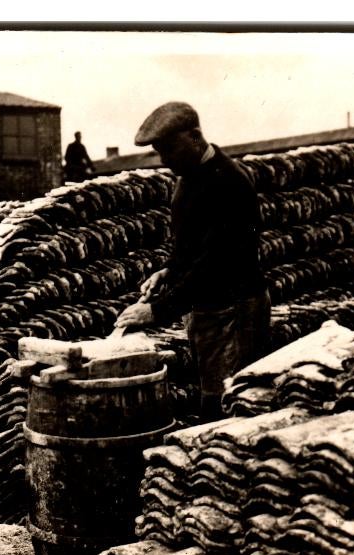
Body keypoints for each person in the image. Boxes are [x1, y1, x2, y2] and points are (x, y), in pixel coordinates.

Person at [114, 102, 271, 421]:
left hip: (234, 311)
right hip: (207, 308)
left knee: (231, 401)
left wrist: (157, 310)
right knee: (213, 392)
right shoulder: (188, 178)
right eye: (159, 152)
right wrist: (168, 270)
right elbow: (189, 246)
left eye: (170, 149)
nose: (164, 159)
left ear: (195, 137)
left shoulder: (230, 182)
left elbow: (217, 262)